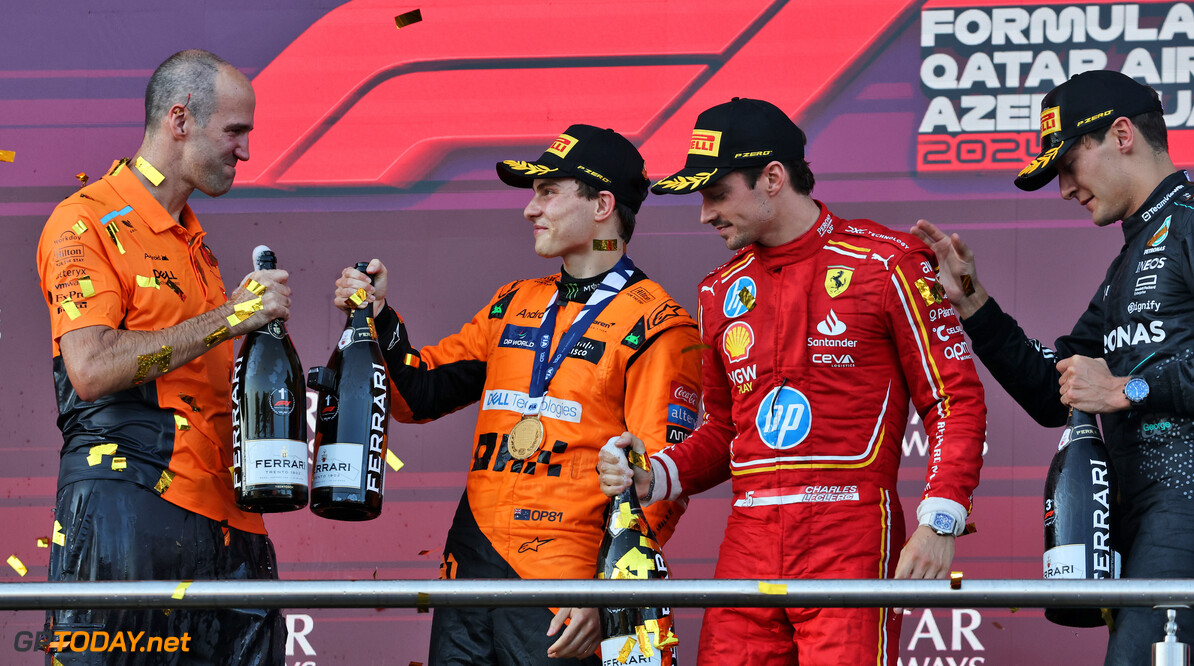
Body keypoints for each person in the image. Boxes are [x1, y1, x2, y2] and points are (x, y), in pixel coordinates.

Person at [597, 97, 987, 665]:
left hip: (850, 531)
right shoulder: (718, 289)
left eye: (715, 194)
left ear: (772, 178)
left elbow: (954, 398)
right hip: (749, 532)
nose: (704, 215)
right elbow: (725, 430)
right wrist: (654, 474)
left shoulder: (886, 263)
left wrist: (941, 519)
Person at [332, 125, 702, 665]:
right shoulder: (513, 304)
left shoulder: (659, 325)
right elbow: (419, 394)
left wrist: (610, 594)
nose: (531, 209)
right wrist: (380, 317)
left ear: (602, 205)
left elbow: (661, 483)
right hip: (469, 575)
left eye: (548, 192)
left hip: (567, 595)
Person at [912, 69, 1191, 663]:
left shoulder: (1190, 220)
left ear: (1121, 136)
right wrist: (973, 304)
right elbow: (1051, 392)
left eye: (1068, 164)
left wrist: (1130, 387)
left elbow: (1116, 388)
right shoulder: (1129, 261)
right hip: (1141, 521)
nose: (1064, 188)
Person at [35, 49, 288, 665]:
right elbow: (90, 368)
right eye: (235, 131)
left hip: (232, 525)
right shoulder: (85, 221)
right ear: (180, 119)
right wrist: (231, 317)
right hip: (128, 511)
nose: (246, 151)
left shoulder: (195, 242)